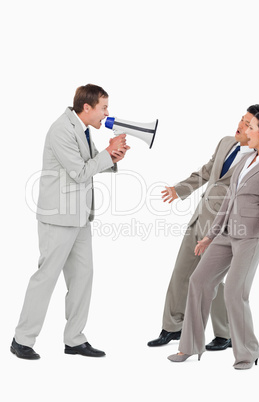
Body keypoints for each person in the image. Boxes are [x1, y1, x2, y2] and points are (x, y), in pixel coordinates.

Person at [11, 84, 130, 359]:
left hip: (79, 217)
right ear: (86, 107)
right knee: (46, 277)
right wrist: (107, 152)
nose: (107, 113)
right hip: (58, 218)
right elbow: (80, 172)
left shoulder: (82, 129)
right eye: (103, 107)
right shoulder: (61, 129)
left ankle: (74, 339)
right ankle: (22, 339)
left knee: (82, 278)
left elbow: (90, 162)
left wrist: (112, 156)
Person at [167, 111, 259, 369]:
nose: (246, 131)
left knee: (235, 292)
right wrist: (210, 236)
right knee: (198, 281)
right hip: (224, 233)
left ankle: (247, 352)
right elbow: (226, 203)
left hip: (249, 237)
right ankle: (189, 346)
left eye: (252, 127)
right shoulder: (245, 161)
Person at [148, 105, 259, 350]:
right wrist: (179, 189)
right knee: (181, 272)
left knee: (213, 280)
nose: (241, 125)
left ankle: (225, 334)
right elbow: (206, 172)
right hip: (199, 218)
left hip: (225, 227)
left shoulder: (258, 160)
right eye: (242, 119)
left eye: (248, 124)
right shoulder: (226, 142)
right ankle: (172, 327)